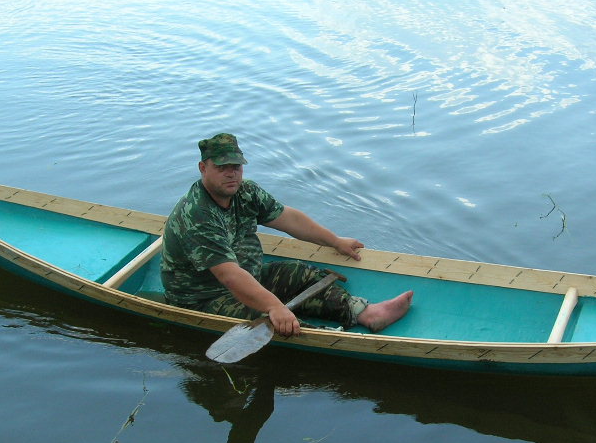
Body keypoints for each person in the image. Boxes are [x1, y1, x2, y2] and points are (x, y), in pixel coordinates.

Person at [161, 133, 413, 337]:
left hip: (251, 274)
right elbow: (229, 276)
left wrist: (335, 241)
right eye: (222, 167)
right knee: (269, 321)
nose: (232, 173)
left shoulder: (245, 192)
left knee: (303, 274)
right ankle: (328, 337)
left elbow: (288, 218)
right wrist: (273, 306)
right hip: (205, 297)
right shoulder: (197, 214)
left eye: (236, 166)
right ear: (203, 168)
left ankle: (366, 313)